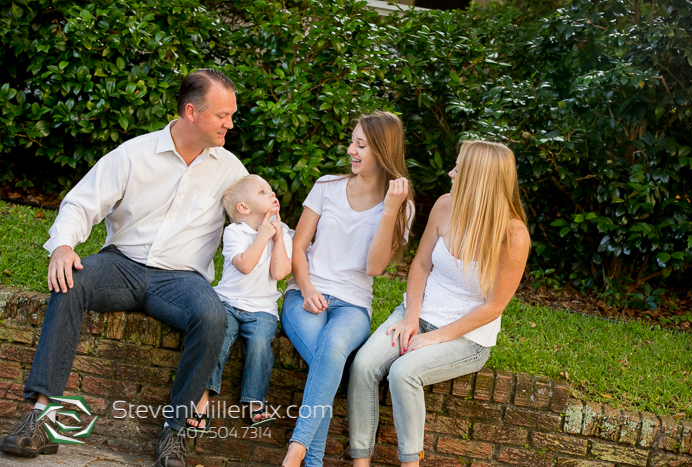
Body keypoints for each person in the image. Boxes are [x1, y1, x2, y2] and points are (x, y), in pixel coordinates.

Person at [0, 69, 248, 467]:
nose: (230, 124)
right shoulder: (135, 154)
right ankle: (40, 420)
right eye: (222, 115)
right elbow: (81, 203)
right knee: (71, 282)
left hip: (181, 280)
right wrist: (63, 246)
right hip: (121, 265)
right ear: (191, 112)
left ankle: (175, 432)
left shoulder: (231, 170)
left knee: (211, 316)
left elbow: (257, 220)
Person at [347, 140, 530, 466]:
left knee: (404, 372)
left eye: (458, 168)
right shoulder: (445, 206)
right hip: (419, 312)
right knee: (363, 366)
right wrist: (411, 317)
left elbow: (494, 306)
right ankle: (360, 461)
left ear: (478, 178)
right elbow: (420, 265)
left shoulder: (513, 236)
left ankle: (410, 463)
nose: (450, 172)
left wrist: (435, 337)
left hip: (466, 337)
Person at [280, 111, 414, 467]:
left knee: (332, 349)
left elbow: (374, 268)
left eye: (361, 145)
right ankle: (306, 459)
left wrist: (389, 211)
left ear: (384, 152)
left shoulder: (403, 207)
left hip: (353, 306)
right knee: (329, 360)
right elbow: (298, 246)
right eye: (352, 141)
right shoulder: (326, 187)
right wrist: (306, 288)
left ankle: (297, 451)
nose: (351, 150)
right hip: (304, 294)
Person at [186, 175, 292, 432]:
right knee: (219, 340)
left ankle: (255, 402)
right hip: (228, 302)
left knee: (259, 345)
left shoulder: (283, 232)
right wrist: (263, 236)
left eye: (270, 189)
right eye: (262, 191)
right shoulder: (235, 232)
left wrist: (277, 239)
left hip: (262, 309)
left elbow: (280, 273)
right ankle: (201, 400)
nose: (272, 193)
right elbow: (244, 265)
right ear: (243, 208)